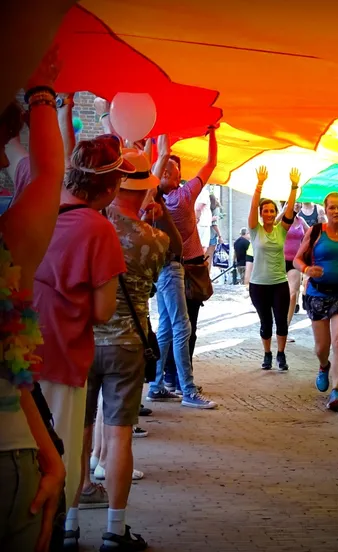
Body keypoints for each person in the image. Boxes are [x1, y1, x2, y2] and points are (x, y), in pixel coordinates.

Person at [33, 134, 137, 546]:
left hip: (21, 351)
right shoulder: (98, 228)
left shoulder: (39, 211)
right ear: (110, 188)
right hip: (63, 354)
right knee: (60, 460)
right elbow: (101, 311)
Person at [88, 149, 178, 550]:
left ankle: (71, 524)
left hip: (85, 339)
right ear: (145, 191)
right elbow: (171, 257)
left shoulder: (91, 226)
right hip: (129, 342)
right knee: (120, 435)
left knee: (80, 430)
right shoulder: (155, 239)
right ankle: (114, 528)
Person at [0, 54, 68, 552]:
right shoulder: (7, 245)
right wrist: (41, 89)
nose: (5, 161)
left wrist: (49, 452)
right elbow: (49, 174)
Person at [149, 127, 218, 408]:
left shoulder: (151, 200)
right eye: (168, 168)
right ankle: (187, 390)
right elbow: (210, 163)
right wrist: (212, 134)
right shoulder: (184, 195)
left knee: (167, 326)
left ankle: (156, 384)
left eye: (173, 168)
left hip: (164, 269)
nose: (172, 171)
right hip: (175, 268)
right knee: (182, 327)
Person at [293, 193, 338, 411]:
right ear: (325, 210)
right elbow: (297, 259)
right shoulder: (316, 232)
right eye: (332, 208)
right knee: (321, 347)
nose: (336, 211)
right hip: (317, 294)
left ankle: (336, 391)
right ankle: (324, 366)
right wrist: (307, 269)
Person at [247, 166, 301, 371]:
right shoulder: (255, 230)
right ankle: (267, 354)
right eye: (265, 211)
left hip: (279, 283)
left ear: (275, 213)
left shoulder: (282, 230)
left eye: (272, 211)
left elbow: (290, 210)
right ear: (261, 214)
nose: (268, 213)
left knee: (281, 321)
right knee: (265, 322)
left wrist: (294, 186)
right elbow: (252, 207)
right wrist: (259, 184)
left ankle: (281, 354)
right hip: (258, 285)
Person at [282, 203, 310, 329]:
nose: (297, 205)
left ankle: (285, 327)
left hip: (294, 262)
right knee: (277, 294)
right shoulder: (281, 219)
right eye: (294, 203)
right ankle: (276, 320)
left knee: (293, 294)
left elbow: (312, 233)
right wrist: (283, 212)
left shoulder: (300, 220)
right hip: (278, 261)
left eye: (298, 202)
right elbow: (271, 228)